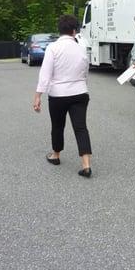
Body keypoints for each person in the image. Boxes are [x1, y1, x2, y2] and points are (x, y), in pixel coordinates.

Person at [33, 15, 93, 177]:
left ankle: (56, 155)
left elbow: (45, 74)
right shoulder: (81, 48)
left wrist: (38, 95)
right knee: (81, 127)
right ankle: (86, 164)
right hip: (80, 92)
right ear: (74, 31)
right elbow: (85, 70)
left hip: (58, 94)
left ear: (59, 30)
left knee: (58, 126)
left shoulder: (53, 48)